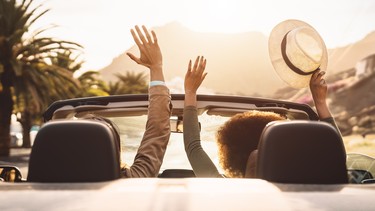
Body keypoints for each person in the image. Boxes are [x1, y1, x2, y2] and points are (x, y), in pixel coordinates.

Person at [183, 56, 341, 178]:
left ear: (232, 156)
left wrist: (190, 93)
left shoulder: (225, 191)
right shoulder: (305, 192)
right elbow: (334, 156)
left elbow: (194, 148)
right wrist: (320, 102)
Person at [86, 25, 171, 178]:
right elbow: (157, 129)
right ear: (113, 150)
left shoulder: (47, 185)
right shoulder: (130, 181)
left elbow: (157, 131)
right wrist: (156, 68)